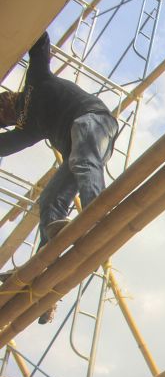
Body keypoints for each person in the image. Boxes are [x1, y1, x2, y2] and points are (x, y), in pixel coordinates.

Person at [0, 31, 118, 324]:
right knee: (51, 199)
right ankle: (46, 280)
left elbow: (38, 40)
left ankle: (96, 217)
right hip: (80, 149)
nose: (6, 112)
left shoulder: (35, 82)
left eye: (2, 106)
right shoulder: (27, 130)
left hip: (92, 122)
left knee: (81, 159)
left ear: (7, 97)